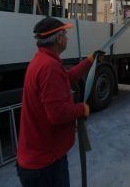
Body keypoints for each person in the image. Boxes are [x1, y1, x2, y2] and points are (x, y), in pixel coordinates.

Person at [16, 16, 99, 187]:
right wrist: (81, 109)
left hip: (39, 161)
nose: (67, 37)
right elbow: (57, 114)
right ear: (59, 39)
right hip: (45, 166)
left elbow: (66, 78)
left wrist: (89, 61)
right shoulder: (49, 67)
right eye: (65, 34)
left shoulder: (42, 61)